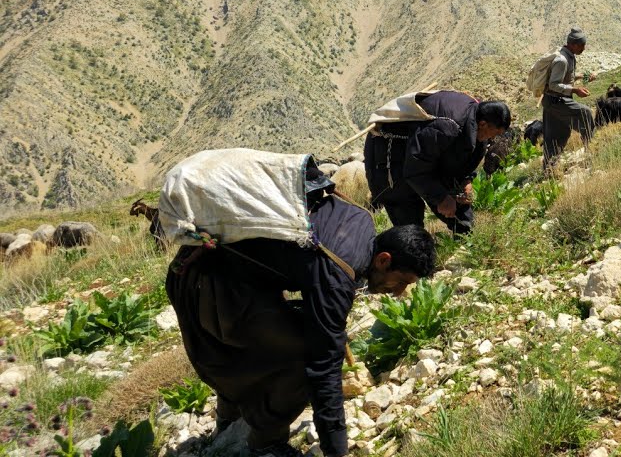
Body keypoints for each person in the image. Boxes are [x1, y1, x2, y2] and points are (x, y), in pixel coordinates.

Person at [166, 174, 435, 457]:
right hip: (206, 285)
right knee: (304, 352)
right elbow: (324, 368)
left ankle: (231, 414)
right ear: (383, 260)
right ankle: (266, 442)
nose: (399, 292)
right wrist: (337, 450)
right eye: (401, 281)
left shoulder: (362, 221)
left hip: (214, 270)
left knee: (282, 334)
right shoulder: (337, 274)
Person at [364, 92, 511, 234]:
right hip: (391, 153)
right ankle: (414, 247)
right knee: (408, 219)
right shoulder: (447, 127)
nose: (494, 138)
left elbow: (465, 158)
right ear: (483, 124)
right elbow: (415, 168)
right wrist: (441, 198)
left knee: (462, 217)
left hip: (427, 152)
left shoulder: (477, 127)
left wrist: (466, 180)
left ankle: (465, 239)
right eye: (496, 133)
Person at [542, 27, 596, 169]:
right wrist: (575, 90)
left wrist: (584, 77)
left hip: (552, 101)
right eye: (582, 45)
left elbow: (567, 77)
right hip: (556, 101)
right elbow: (554, 84)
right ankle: (592, 150)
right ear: (573, 44)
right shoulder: (562, 60)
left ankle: (549, 168)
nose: (584, 48)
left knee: (558, 135)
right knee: (585, 114)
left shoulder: (568, 56)